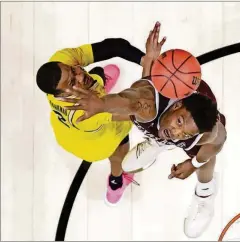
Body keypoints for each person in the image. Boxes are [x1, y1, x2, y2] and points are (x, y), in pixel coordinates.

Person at [62, 23, 227, 238]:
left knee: (206, 159)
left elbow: (216, 144)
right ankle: (157, 143)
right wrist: (102, 104)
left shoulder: (205, 130)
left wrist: (193, 164)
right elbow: (128, 101)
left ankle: (206, 197)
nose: (177, 133)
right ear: (176, 106)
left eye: (183, 133)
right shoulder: (147, 104)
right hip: (157, 111)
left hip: (198, 122)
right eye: (178, 122)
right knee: (126, 160)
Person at [35, 22, 162, 206]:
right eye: (72, 83)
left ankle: (101, 92)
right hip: (97, 143)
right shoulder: (86, 115)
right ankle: (116, 183)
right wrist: (150, 62)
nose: (80, 75)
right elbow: (142, 110)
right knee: (119, 154)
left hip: (65, 130)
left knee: (97, 73)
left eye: (73, 69)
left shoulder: (61, 59)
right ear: (62, 95)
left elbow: (115, 45)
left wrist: (142, 59)